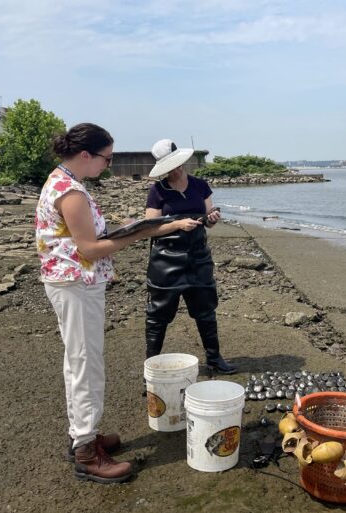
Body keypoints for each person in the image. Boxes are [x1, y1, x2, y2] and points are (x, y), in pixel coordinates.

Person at [36, 123, 181, 483]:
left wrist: (124, 229)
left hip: (72, 280)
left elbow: (85, 238)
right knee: (85, 363)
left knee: (79, 360)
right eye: (107, 158)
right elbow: (89, 248)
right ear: (86, 155)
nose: (109, 164)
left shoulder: (64, 181)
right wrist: (139, 233)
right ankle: (86, 451)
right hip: (75, 284)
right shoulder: (71, 191)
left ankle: (83, 435)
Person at [143, 139, 236, 374]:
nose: (175, 170)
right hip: (166, 259)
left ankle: (214, 359)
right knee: (157, 315)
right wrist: (177, 224)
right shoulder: (157, 191)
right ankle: (151, 368)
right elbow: (150, 228)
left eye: (177, 165)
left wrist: (212, 218)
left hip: (198, 257)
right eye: (169, 167)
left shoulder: (199, 185)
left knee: (206, 311)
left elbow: (209, 216)